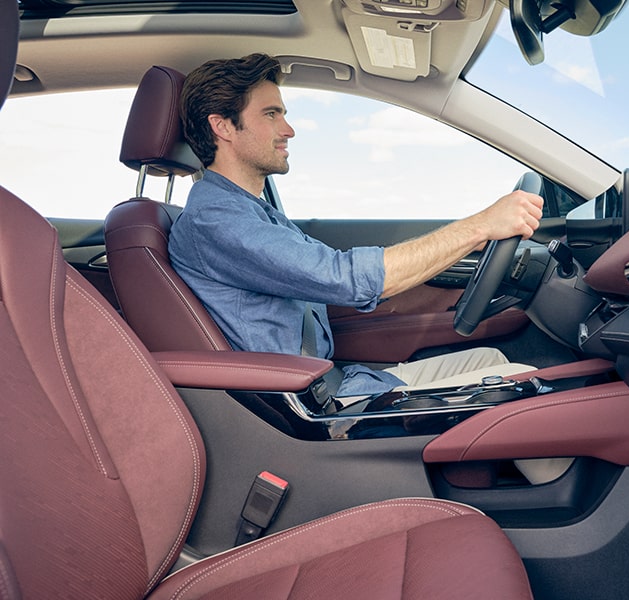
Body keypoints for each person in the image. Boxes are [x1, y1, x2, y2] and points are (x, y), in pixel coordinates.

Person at [169, 53, 544, 398]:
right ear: (222, 127)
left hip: (335, 379)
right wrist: (478, 227)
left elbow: (328, 278)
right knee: (524, 384)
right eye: (271, 114)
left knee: (490, 360)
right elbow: (342, 278)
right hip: (312, 404)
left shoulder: (252, 211)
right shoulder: (215, 219)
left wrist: (462, 244)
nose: (288, 129)